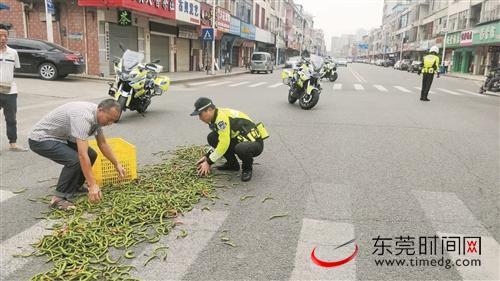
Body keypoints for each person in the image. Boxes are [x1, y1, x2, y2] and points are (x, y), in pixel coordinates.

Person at [29, 99, 126, 210]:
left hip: (62, 137)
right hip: (41, 138)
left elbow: (102, 143)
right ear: (100, 110)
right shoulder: (83, 117)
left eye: (113, 121)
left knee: (92, 155)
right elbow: (82, 155)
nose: (109, 124)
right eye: (109, 119)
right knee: (75, 160)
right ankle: (58, 198)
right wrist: (92, 184)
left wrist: (116, 163)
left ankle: (75, 186)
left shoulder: (97, 116)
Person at [191, 97, 268, 182]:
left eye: (200, 114)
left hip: (255, 144)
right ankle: (232, 165)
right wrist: (207, 156)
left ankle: (247, 169)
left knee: (241, 148)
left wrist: (209, 162)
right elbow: (221, 140)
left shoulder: (221, 120)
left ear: (209, 110)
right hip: (239, 140)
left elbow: (224, 143)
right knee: (212, 137)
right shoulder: (215, 117)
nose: (199, 118)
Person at [0, 24, 27, 152]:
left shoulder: (13, 53)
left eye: (5, 36)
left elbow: (15, 69)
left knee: (11, 119)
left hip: (10, 91)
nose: (3, 38)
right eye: (0, 35)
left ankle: (13, 143)